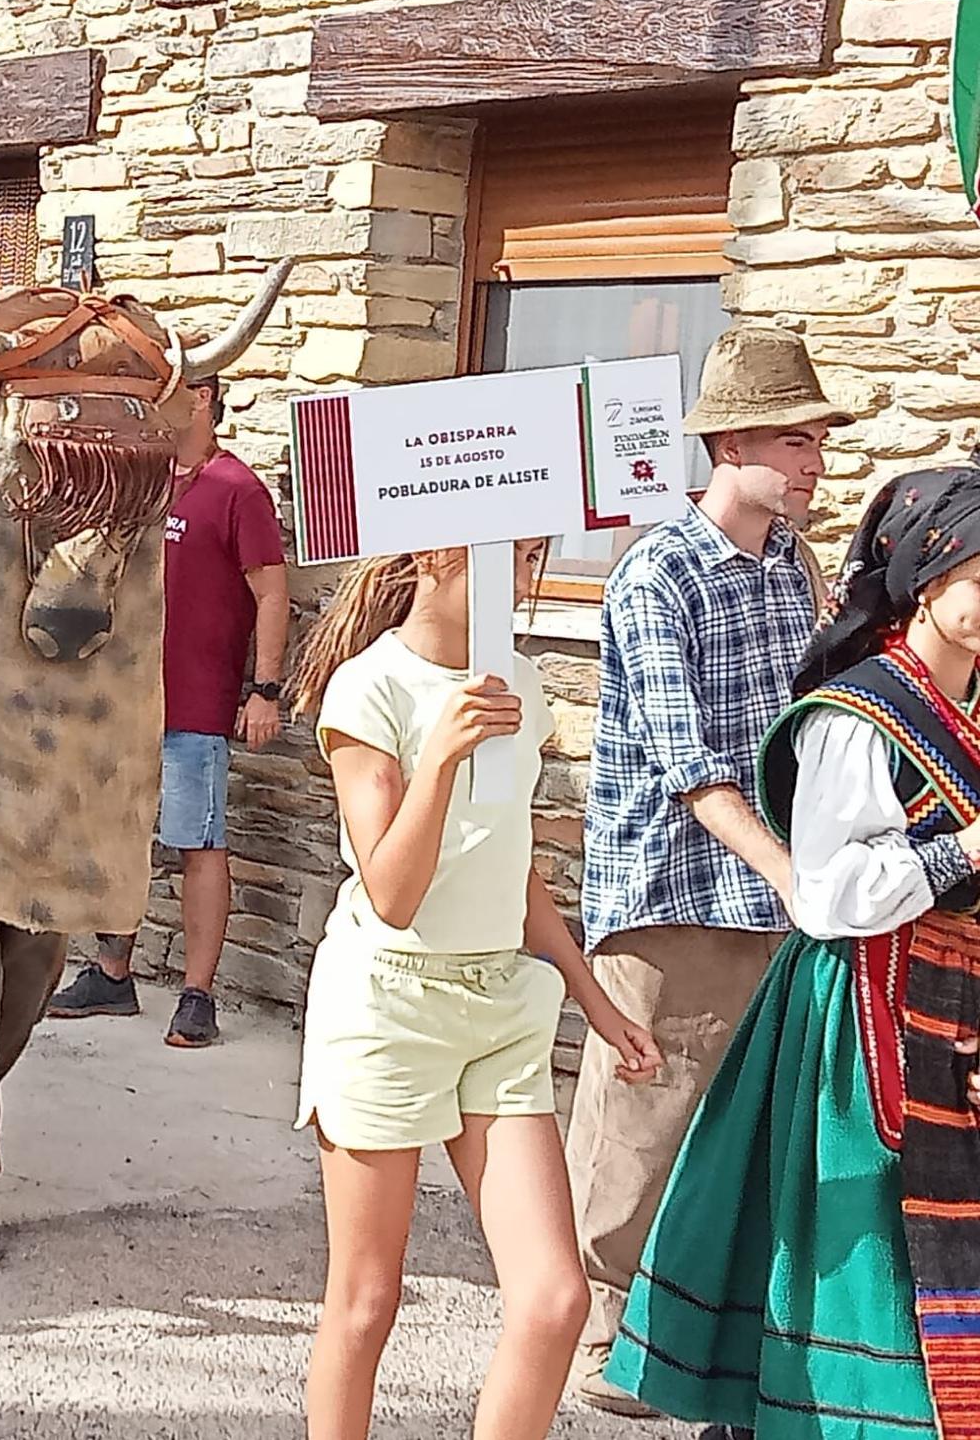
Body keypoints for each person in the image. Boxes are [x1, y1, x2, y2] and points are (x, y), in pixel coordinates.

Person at [609, 465, 980, 1440]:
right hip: (860, 1020)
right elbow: (823, 893)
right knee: (856, 1254)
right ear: (927, 579)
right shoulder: (854, 718)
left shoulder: (967, 703)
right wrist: (958, 852)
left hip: (952, 1010)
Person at [286, 542, 663, 1440]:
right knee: (368, 1300)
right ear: (435, 552)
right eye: (509, 553)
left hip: (498, 1005)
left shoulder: (522, 686)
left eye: (536, 553)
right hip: (387, 1003)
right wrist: (444, 754)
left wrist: (594, 1001)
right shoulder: (368, 689)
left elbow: (512, 864)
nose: (524, 575)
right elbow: (393, 892)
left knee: (553, 1300)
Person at [566, 323, 846, 1412]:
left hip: (772, 888)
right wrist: (786, 869)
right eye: (796, 440)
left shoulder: (793, 564)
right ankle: (596, 1337)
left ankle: (688, 1333)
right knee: (638, 1119)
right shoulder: (652, 573)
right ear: (730, 444)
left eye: (816, 440)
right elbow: (688, 764)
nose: (814, 462)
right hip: (670, 890)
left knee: (732, 1120)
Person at [48, 376, 289, 1046]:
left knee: (198, 843)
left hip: (195, 704)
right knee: (117, 835)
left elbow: (271, 592)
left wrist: (264, 689)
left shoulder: (236, 488)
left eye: (171, 391)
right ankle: (112, 973)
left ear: (205, 397)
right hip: (126, 701)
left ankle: (197, 994)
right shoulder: (146, 481)